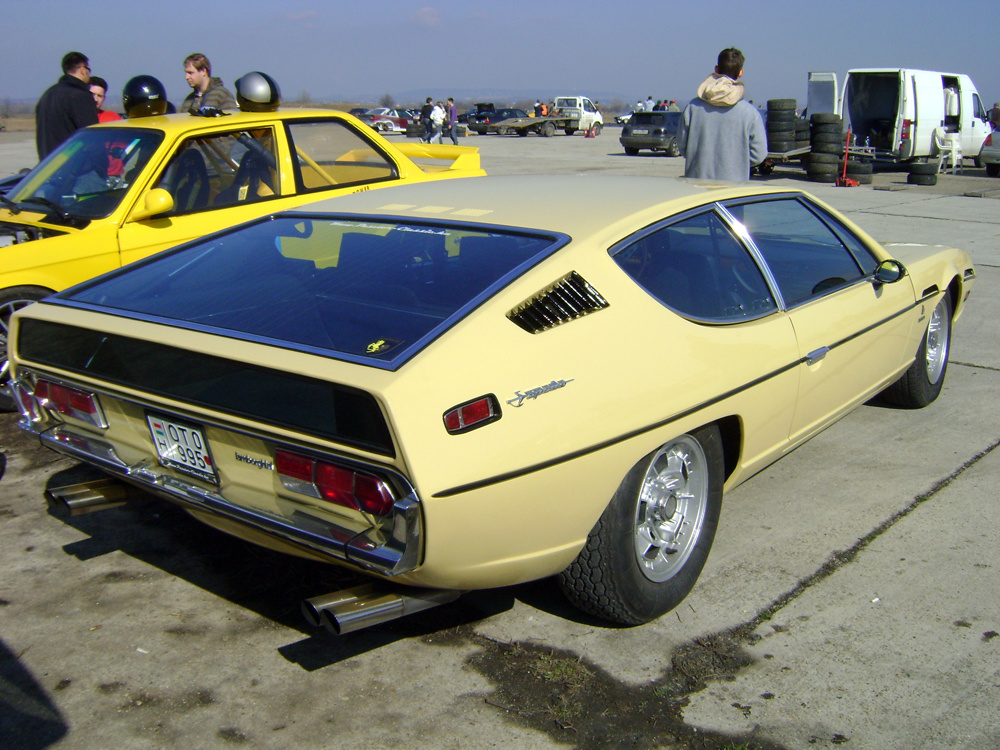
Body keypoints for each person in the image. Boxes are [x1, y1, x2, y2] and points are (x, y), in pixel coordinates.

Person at [676, 47, 767, 182]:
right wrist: (737, 164)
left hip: (696, 188)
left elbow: (682, 146)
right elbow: (759, 155)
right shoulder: (749, 113)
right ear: (741, 72)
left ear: (716, 69)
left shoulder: (693, 107)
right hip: (733, 191)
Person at [35, 51, 100, 160]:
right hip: (75, 168)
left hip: (48, 165)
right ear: (83, 69)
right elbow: (92, 137)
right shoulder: (80, 96)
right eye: (88, 70)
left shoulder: (47, 95)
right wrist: (102, 166)